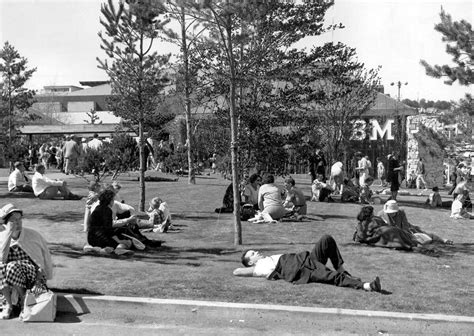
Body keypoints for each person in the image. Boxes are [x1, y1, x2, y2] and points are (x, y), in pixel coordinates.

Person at [233, 234, 382, 292]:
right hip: (303, 270)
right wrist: (249, 268)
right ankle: (367, 286)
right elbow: (237, 271)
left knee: (326, 239)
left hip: (308, 258)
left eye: (254, 251)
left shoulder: (265, 260)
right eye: (253, 254)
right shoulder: (259, 268)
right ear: (251, 262)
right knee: (331, 277)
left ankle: (343, 270)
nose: (256, 252)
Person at [0, 204, 53, 319]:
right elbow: (2, 259)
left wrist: (43, 277)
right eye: (13, 220)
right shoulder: (2, 237)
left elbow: (43, 259)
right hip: (10, 279)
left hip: (32, 275)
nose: (18, 223)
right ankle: (9, 306)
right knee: (2, 266)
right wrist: (8, 234)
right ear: (5, 223)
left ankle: (25, 301)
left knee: (12, 266)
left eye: (19, 219)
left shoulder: (32, 235)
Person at [377, 200, 453, 245]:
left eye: (394, 212)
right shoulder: (381, 214)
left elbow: (405, 224)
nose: (392, 213)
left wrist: (406, 232)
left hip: (404, 229)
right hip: (392, 233)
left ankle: (442, 240)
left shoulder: (401, 212)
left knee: (421, 232)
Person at [86, 188, 137, 255]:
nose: (113, 201)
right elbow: (108, 230)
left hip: (91, 238)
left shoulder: (97, 207)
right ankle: (118, 250)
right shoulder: (107, 211)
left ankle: (95, 248)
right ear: (109, 200)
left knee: (117, 241)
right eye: (113, 199)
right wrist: (119, 241)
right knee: (127, 243)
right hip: (101, 238)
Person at [353, 206, 418, 250]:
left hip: (386, 230)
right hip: (384, 232)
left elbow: (360, 235)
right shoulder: (370, 221)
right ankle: (407, 243)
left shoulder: (361, 224)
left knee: (396, 232)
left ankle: (406, 242)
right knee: (396, 232)